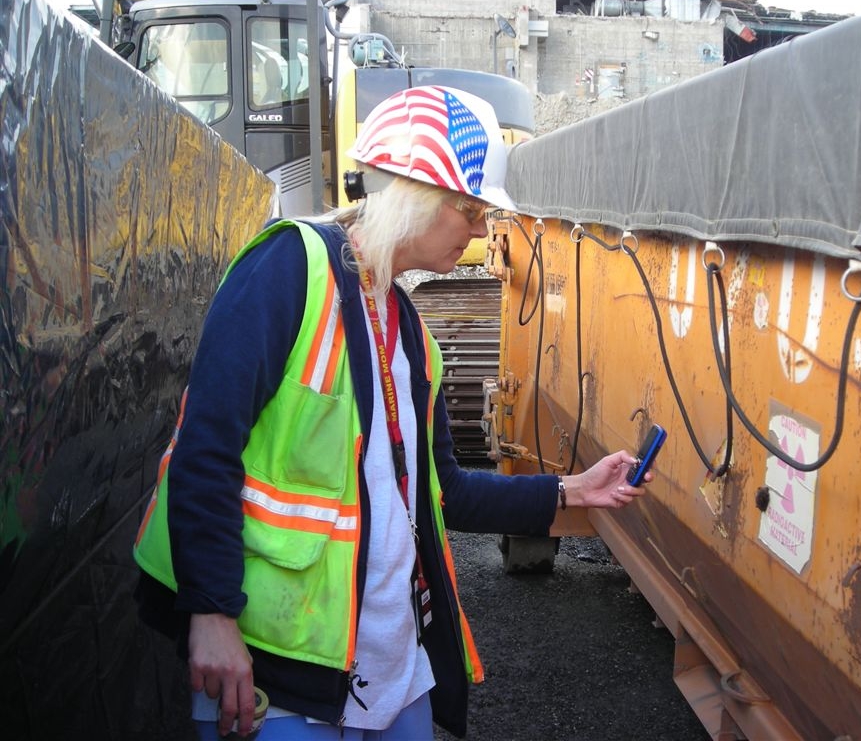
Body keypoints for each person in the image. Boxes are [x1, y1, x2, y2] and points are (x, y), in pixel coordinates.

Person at [133, 85, 649, 740]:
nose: (483, 229)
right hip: (280, 681)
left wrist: (574, 490)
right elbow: (205, 448)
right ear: (419, 195)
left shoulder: (410, 331)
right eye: (473, 210)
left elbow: (446, 493)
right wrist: (209, 613)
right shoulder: (288, 270)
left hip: (396, 673)